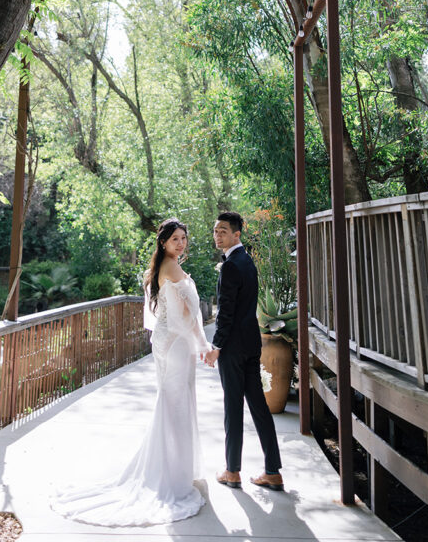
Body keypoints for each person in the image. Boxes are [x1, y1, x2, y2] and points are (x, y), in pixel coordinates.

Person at [52, 218, 209, 526]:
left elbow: (166, 311)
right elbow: (188, 314)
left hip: (165, 340)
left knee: (172, 402)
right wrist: (203, 343)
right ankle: (172, 475)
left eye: (183, 238)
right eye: (175, 238)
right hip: (176, 343)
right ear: (163, 242)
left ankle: (172, 467)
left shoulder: (158, 267)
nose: (181, 243)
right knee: (176, 404)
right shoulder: (172, 268)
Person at [204, 211, 284, 491]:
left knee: (233, 407)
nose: (217, 235)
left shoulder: (231, 266)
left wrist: (216, 346)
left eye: (223, 231)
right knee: (259, 407)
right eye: (215, 231)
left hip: (234, 348)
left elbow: (226, 312)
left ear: (237, 234)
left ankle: (232, 471)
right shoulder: (246, 261)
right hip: (251, 343)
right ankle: (272, 471)